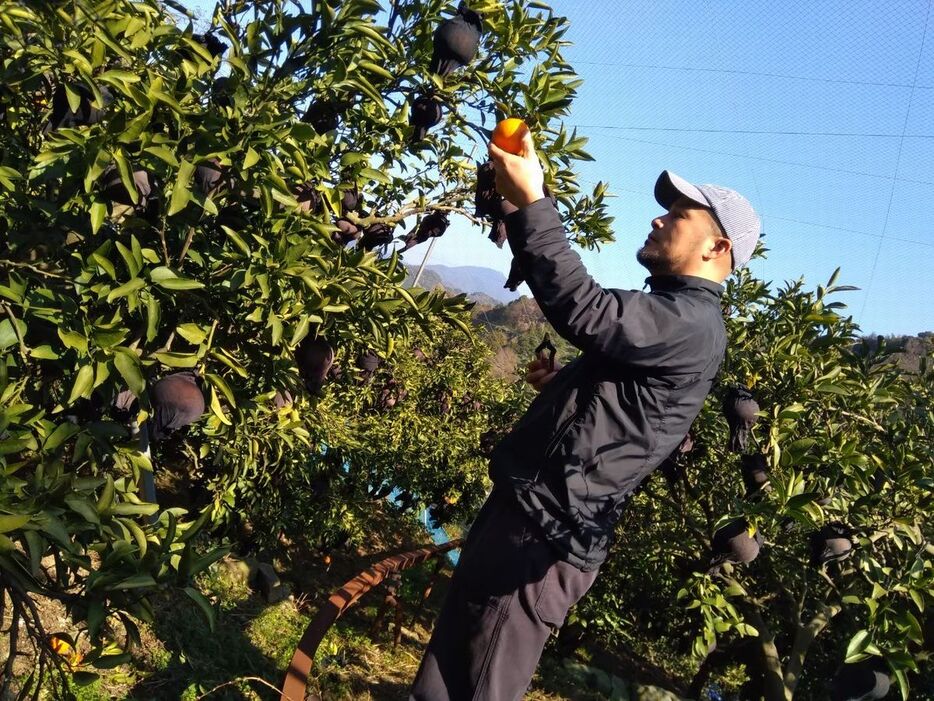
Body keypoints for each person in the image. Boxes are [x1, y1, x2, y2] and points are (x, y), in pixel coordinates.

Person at [409, 129, 761, 701]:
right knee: (441, 684)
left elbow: (585, 308)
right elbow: (624, 409)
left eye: (678, 214)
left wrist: (531, 203)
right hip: (524, 516)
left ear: (715, 248)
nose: (657, 220)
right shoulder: (673, 315)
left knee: (477, 689)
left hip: (544, 540)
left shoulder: (692, 323)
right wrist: (564, 388)